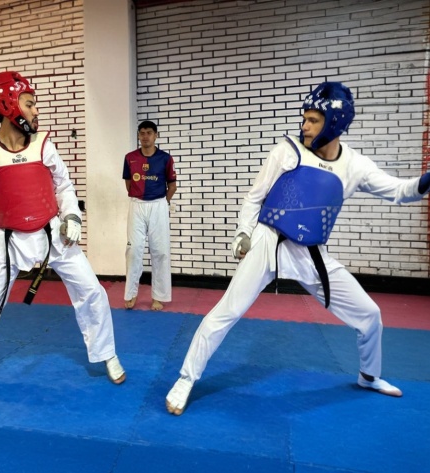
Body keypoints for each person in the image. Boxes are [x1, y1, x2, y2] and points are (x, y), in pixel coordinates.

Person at [166, 81, 430, 415]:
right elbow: (254, 197)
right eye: (304, 118)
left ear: (334, 123)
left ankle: (368, 376)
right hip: (268, 242)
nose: (304, 125)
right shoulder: (287, 150)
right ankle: (186, 378)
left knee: (370, 315)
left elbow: (401, 191)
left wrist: (426, 179)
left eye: (313, 120)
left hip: (311, 253)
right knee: (226, 311)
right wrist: (242, 233)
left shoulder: (355, 166)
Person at [0, 71, 126, 399]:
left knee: (92, 291)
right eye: (29, 104)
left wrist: (72, 215)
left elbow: (63, 185)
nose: (36, 111)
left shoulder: (43, 144)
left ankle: (107, 353)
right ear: (9, 106)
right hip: (8, 242)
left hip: (53, 235)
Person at [122, 120, 177, 311]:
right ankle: (131, 293)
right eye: (142, 133)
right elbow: (129, 183)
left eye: (149, 133)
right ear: (138, 135)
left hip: (158, 205)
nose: (145, 137)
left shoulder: (165, 158)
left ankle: (159, 296)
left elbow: (172, 186)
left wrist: (162, 203)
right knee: (133, 250)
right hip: (137, 205)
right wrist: (140, 196)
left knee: (160, 251)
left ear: (156, 135)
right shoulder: (130, 158)